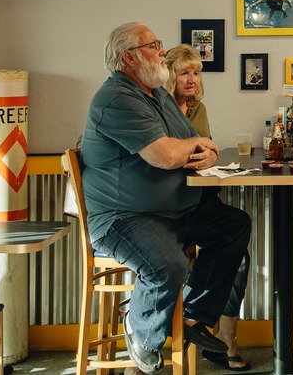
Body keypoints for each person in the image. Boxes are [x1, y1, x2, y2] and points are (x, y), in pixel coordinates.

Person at [80, 23, 251, 375]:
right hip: (124, 218)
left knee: (233, 226)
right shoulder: (117, 98)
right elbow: (166, 156)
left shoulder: (156, 95)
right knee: (169, 266)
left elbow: (199, 141)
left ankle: (193, 318)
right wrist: (191, 148)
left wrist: (207, 154)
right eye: (153, 45)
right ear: (129, 57)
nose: (162, 51)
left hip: (172, 211)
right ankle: (141, 332)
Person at [162, 45, 251, 371]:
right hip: (168, 206)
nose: (192, 80)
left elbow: (203, 150)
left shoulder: (197, 108)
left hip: (198, 198)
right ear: (169, 75)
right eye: (184, 72)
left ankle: (217, 339)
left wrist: (207, 155)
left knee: (238, 249)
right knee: (235, 235)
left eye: (196, 73)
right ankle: (197, 323)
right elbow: (176, 154)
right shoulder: (156, 107)